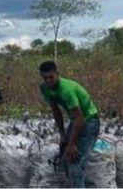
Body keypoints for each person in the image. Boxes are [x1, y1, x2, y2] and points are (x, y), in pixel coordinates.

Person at [39, 60, 100, 188]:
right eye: (45, 78)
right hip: (75, 121)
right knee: (67, 158)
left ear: (57, 74)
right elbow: (56, 112)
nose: (49, 80)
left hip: (89, 121)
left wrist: (72, 144)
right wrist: (62, 136)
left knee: (75, 162)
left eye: (51, 77)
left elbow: (80, 118)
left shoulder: (66, 90)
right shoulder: (45, 89)